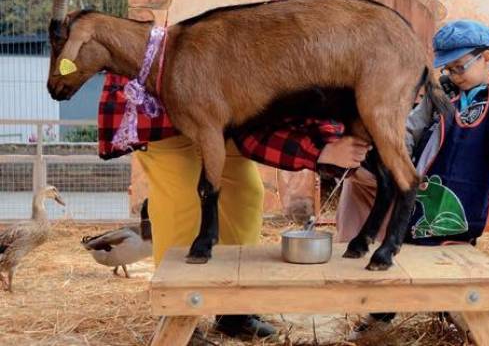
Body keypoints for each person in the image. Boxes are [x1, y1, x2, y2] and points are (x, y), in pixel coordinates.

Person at [98, 74, 370, 339]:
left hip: (223, 110)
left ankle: (234, 311)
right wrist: (318, 150)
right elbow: (278, 116)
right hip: (158, 108)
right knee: (181, 199)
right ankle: (177, 314)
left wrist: (325, 147)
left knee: (247, 194)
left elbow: (271, 119)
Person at [343, 20, 489, 339]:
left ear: (486, 57)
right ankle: (382, 312)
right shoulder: (441, 92)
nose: (453, 76)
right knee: (402, 249)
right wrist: (394, 152)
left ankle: (453, 314)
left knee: (455, 258)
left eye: (460, 67)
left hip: (466, 201)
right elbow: (411, 128)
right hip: (424, 191)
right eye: (448, 68)